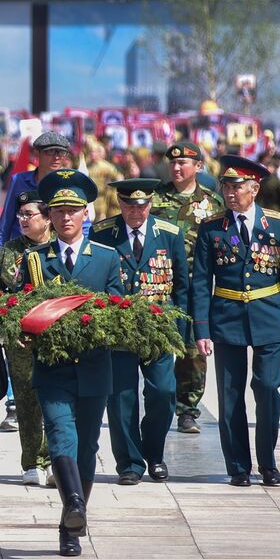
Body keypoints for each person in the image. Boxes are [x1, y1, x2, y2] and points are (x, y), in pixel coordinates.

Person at [24, 170, 123, 557]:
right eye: (59, 211)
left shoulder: (106, 258)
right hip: (52, 367)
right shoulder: (36, 260)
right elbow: (22, 306)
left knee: (87, 445)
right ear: (49, 216)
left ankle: (72, 520)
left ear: (87, 213)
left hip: (95, 366)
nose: (66, 218)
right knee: (61, 435)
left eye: (74, 211)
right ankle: (75, 508)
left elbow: (117, 308)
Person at [192, 155, 280, 488]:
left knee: (268, 388)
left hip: (269, 314)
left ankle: (267, 462)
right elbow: (201, 280)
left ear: (254, 189)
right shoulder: (212, 227)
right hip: (226, 318)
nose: (230, 193)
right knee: (229, 396)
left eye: (237, 187)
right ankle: (238, 465)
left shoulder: (278, 224)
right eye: (226, 186)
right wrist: (202, 329)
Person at [91, 179, 188, 484]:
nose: (136, 211)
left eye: (142, 205)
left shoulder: (170, 234)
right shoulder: (104, 234)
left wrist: (182, 332)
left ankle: (155, 453)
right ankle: (130, 463)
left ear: (151, 204)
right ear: (119, 204)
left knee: (164, 391)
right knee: (121, 399)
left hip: (158, 329)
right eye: (130, 205)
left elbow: (182, 286)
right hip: (118, 329)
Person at [151, 141, 224, 435]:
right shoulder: (155, 199)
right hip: (160, 282)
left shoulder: (212, 202)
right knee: (158, 345)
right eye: (173, 163)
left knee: (193, 347)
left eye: (184, 163)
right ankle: (158, 402)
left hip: (197, 284)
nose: (177, 168)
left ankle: (188, 409)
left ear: (198, 167)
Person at [0, 189, 52, 486]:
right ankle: (32, 462)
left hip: (56, 337)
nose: (23, 220)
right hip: (20, 338)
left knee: (56, 399)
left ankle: (55, 459)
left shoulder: (57, 248)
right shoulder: (10, 251)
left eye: (30, 214)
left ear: (47, 218)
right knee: (26, 401)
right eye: (20, 215)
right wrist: (2, 325)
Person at [0, 129, 73, 247]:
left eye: (61, 152)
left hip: (55, 252)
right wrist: (0, 255)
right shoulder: (19, 181)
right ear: (37, 153)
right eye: (50, 152)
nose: (57, 157)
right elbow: (6, 222)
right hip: (21, 252)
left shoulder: (70, 183)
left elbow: (81, 223)